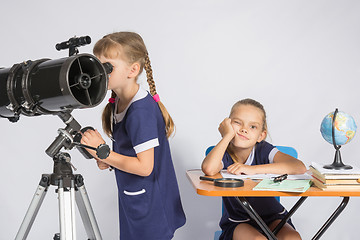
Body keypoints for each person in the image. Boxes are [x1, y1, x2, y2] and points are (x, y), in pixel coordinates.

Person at [80, 32, 186, 240]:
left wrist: (105, 153)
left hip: (151, 205)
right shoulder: (119, 103)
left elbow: (145, 167)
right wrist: (105, 159)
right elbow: (127, 152)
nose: (99, 73)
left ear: (133, 70)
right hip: (136, 200)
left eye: (107, 67)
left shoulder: (140, 111)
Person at [201, 98, 307, 240]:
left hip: (272, 217)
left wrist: (252, 169)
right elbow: (209, 168)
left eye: (253, 127)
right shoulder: (223, 153)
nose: (244, 129)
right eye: (237, 123)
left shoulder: (264, 150)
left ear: (261, 135)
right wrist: (227, 136)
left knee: (292, 238)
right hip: (238, 221)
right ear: (227, 124)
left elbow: (299, 167)